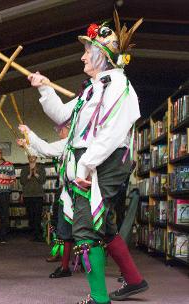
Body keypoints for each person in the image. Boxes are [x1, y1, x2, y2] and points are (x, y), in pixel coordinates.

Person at [27, 11, 147, 304]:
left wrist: (86, 165)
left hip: (103, 161)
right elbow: (61, 115)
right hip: (92, 161)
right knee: (102, 226)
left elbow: (109, 134)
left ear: (102, 56)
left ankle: (98, 298)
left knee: (85, 227)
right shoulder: (92, 90)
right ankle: (134, 280)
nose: (82, 58)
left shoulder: (118, 86)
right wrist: (44, 86)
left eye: (87, 51)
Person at [18, 123, 74, 279]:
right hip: (64, 190)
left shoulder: (72, 143)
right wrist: (26, 145)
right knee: (60, 224)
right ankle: (63, 262)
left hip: (77, 190)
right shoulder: (65, 145)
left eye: (61, 130)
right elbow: (39, 152)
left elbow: (46, 149)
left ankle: (79, 261)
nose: (59, 133)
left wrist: (28, 132)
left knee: (79, 228)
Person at [19, 155, 46, 242]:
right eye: (30, 157)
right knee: (30, 216)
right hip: (28, 195)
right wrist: (30, 175)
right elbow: (22, 182)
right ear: (28, 158)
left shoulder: (41, 167)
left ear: (36, 158)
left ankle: (39, 235)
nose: (32, 158)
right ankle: (33, 235)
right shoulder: (24, 168)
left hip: (38, 195)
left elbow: (43, 180)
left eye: (33, 157)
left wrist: (36, 174)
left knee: (38, 215)